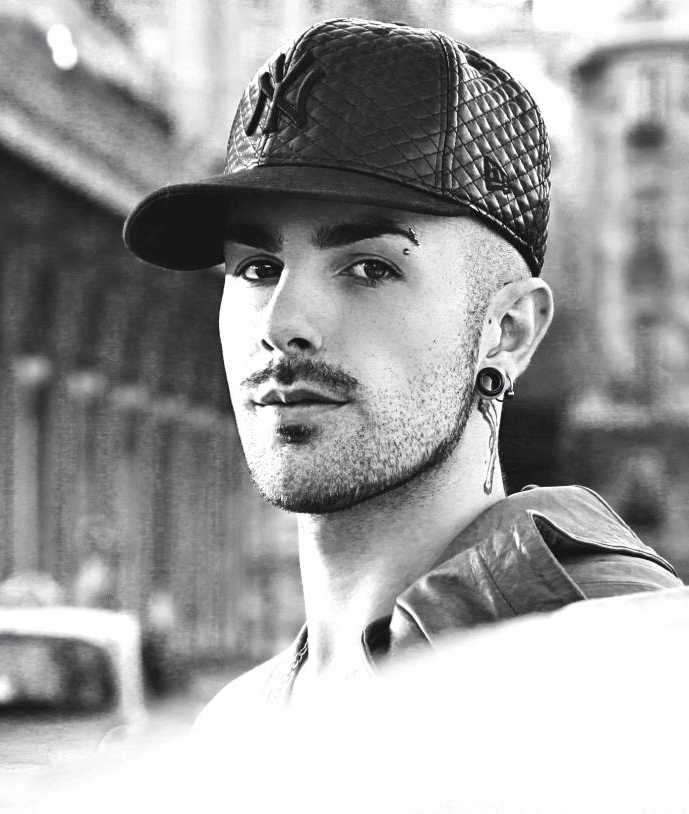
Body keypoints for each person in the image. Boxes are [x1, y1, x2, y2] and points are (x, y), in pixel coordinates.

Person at [122, 18, 683, 728]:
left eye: (369, 268)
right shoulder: (237, 724)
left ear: (507, 331)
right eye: (258, 268)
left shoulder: (623, 672)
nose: (281, 323)